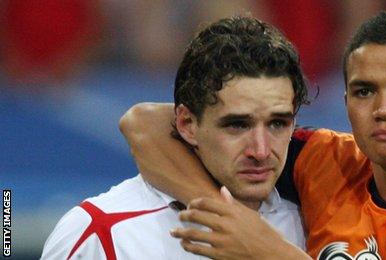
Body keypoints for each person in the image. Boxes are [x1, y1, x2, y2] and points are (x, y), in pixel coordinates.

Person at [121, 8, 386, 259]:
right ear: (346, 102)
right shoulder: (324, 160)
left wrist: (270, 252)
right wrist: (224, 217)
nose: (384, 110)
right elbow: (144, 123)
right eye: (364, 91)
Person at [41, 16, 309, 259]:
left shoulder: (315, 221)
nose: (261, 151)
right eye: (237, 125)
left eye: (277, 123)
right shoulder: (103, 234)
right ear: (187, 124)